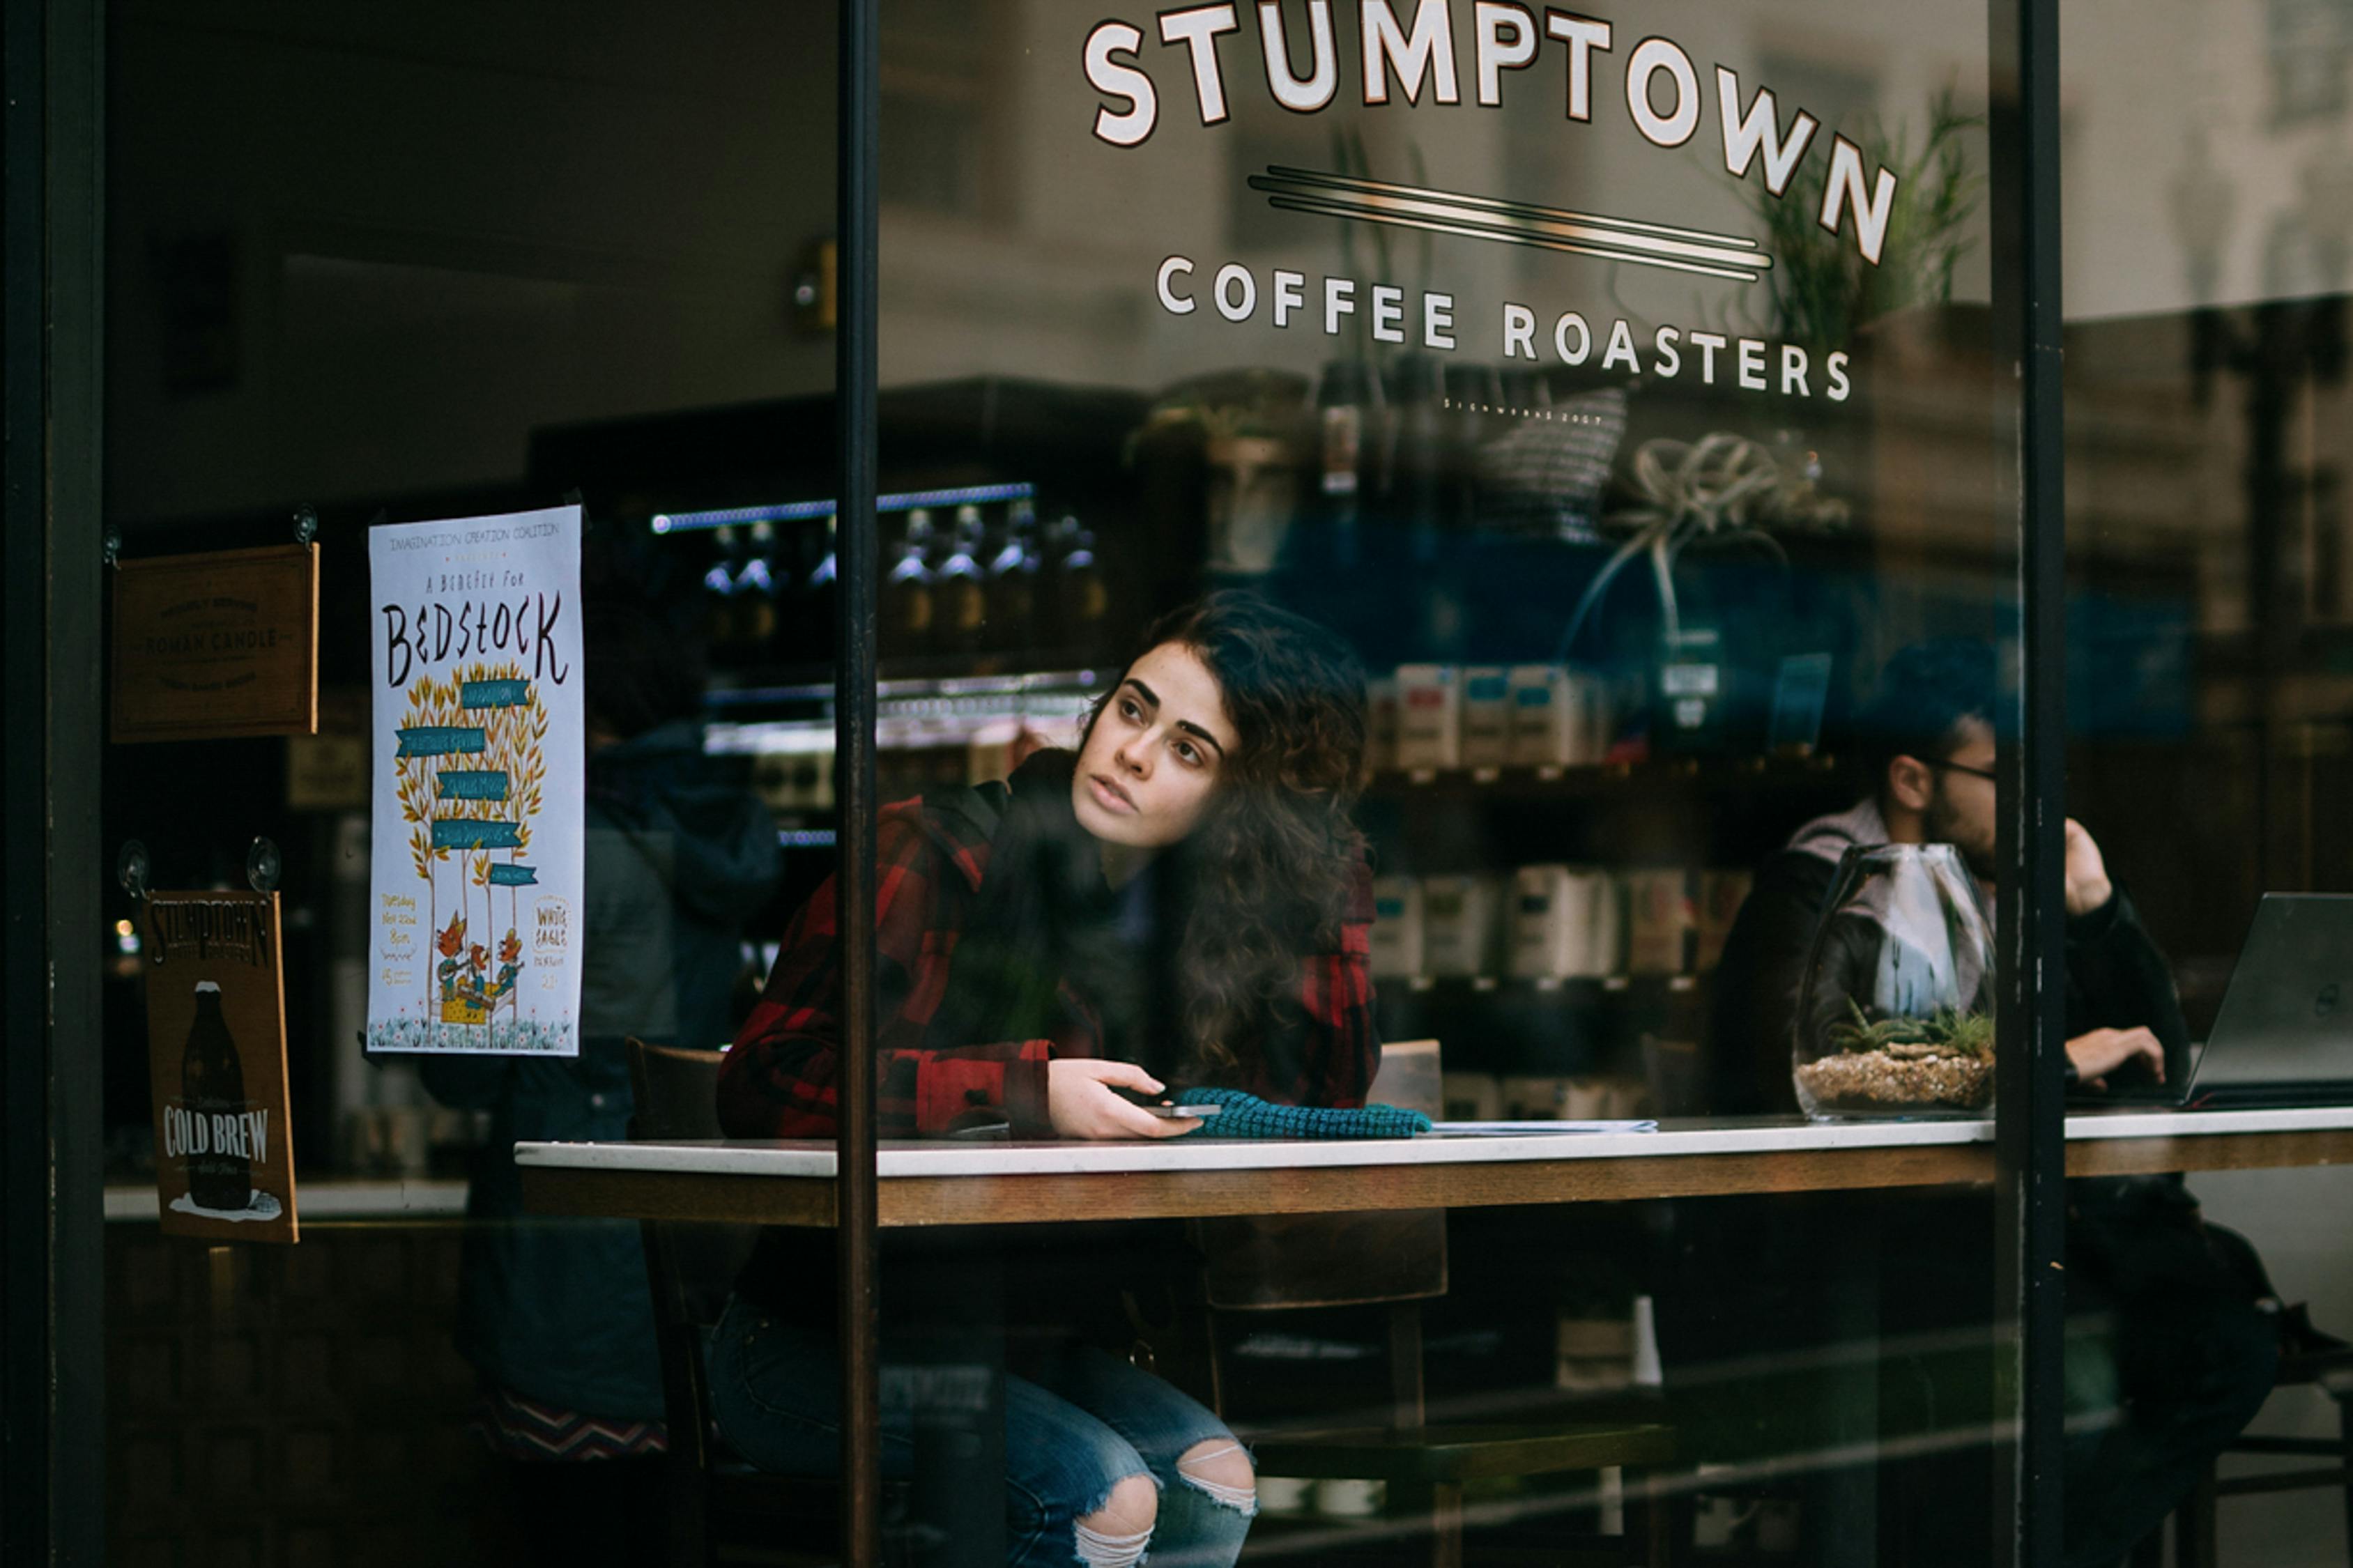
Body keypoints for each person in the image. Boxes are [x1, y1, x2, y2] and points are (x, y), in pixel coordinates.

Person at [711, 591, 1379, 1568]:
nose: (1135, 753)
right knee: (1100, 1492)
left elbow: (1319, 1110)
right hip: (811, 1340)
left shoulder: (1198, 935)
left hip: (1025, 1340)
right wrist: (1028, 1089)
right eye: (1135, 708)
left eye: (1192, 751)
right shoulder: (940, 849)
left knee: (1216, 1477)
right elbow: (763, 1081)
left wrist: (1327, 879)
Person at [1703, 638, 2279, 1568]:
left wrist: (2096, 910)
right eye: (2001, 771)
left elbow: (2153, 1066)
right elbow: (1811, 1069)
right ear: (1912, 777)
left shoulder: (2000, 890)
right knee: (2082, 1383)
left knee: (2231, 1349)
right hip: (1876, 1249)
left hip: (2013, 1236)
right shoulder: (1816, 885)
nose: (2029, 794)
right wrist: (2044, 1059)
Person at [422, 592, 781, 1567]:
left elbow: (465, 1077)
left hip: (563, 1264)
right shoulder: (714, 813)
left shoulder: (555, 834)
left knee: (571, 1539)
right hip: (696, 1253)